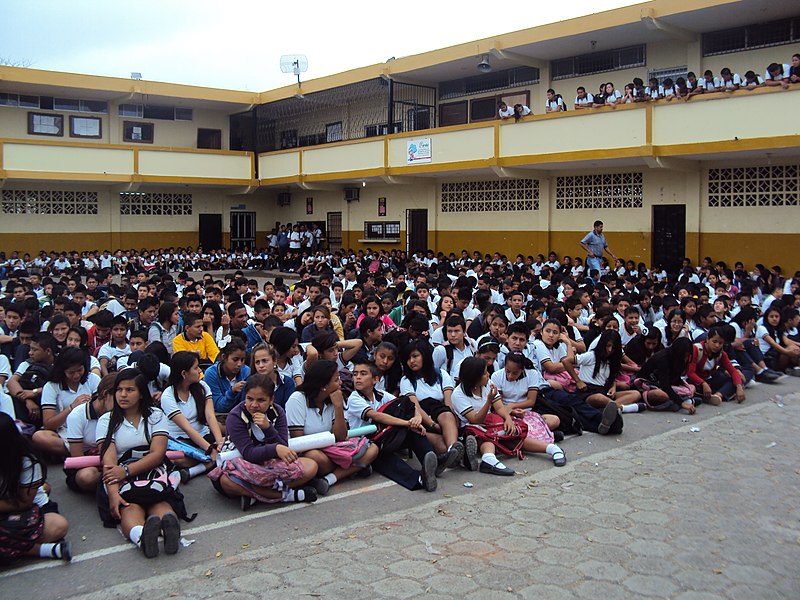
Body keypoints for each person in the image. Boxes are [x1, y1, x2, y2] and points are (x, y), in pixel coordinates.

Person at [96, 368, 184, 558]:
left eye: (130, 390)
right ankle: (142, 537)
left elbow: (157, 454)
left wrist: (126, 471)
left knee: (159, 502)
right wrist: (112, 493)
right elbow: (109, 461)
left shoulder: (156, 415)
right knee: (129, 507)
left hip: (151, 470)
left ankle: (170, 533)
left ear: (142, 394)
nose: (123, 395)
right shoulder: (106, 421)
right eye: (119, 390)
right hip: (120, 476)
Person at [208, 374, 319, 509]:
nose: (254, 405)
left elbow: (283, 446)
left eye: (261, 400)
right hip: (242, 465)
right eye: (250, 399)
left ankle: (254, 495)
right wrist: (275, 449)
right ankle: (286, 496)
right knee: (227, 481)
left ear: (271, 400)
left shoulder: (278, 412)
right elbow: (248, 453)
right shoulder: (236, 416)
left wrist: (268, 428)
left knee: (310, 466)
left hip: (269, 464)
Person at [286, 360, 378, 495]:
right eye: (336, 380)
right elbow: (298, 440)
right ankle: (353, 468)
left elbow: (341, 437)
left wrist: (338, 406)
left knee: (373, 449)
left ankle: (330, 479)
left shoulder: (333, 400)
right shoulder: (297, 399)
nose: (340, 383)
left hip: (334, 449)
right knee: (315, 457)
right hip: (310, 451)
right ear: (323, 385)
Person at [346, 359, 439, 492]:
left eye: (363, 374)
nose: (358, 377)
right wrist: (408, 423)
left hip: (385, 435)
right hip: (366, 443)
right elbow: (377, 416)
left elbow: (407, 403)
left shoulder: (381, 394)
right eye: (355, 374)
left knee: (414, 431)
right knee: (381, 455)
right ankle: (419, 479)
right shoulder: (354, 398)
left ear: (375, 379)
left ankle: (435, 464)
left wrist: (417, 418)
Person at [0, 412, 71, 562]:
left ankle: (29, 548)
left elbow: (24, 502)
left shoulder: (26, 460)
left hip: (24, 510)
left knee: (58, 525)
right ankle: (41, 550)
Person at [399, 339, 464, 473]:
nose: (411, 361)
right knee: (439, 439)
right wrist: (433, 425)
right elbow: (415, 406)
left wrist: (451, 420)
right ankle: (458, 457)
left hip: (442, 413)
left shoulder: (441, 374)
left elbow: (448, 401)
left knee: (446, 414)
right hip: (422, 417)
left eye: (415, 356)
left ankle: (453, 449)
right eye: (408, 358)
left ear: (425, 356)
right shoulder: (406, 381)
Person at [491, 352, 566, 466]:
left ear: (522, 370)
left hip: (525, 413)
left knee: (554, 420)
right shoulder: (497, 376)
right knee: (511, 433)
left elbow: (531, 401)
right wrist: (510, 411)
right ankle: (548, 441)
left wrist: (513, 407)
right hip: (505, 414)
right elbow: (499, 405)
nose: (510, 376)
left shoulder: (532, 374)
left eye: (515, 373)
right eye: (507, 371)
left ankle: (540, 437)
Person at [32, 347, 101, 457]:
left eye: (80, 370)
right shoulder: (51, 386)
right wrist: (71, 407)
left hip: (92, 428)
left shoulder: (93, 379)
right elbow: (48, 424)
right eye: (71, 372)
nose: (76, 375)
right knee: (39, 437)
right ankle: (80, 451)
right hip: (65, 431)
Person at [64, 373, 116, 492]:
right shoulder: (77, 416)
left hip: (115, 458)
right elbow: (77, 456)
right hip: (89, 462)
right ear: (105, 394)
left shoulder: (121, 413)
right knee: (87, 477)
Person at [203, 338, 250, 414]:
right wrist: (232, 391)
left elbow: (246, 404)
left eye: (242, 360)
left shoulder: (247, 372)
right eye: (235, 359)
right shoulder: (211, 374)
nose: (239, 364)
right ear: (224, 357)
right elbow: (218, 407)